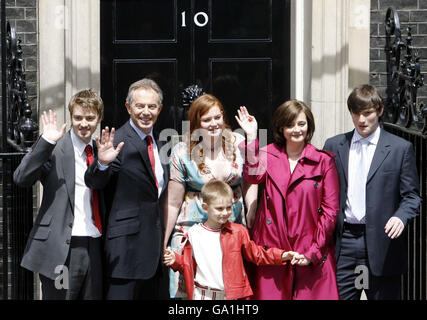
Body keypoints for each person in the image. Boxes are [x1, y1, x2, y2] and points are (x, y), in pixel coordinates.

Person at [323, 84, 421, 300]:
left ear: (380, 110)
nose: (361, 120)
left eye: (367, 113)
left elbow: (412, 196)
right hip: (344, 241)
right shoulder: (334, 145)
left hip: (383, 243)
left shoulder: (400, 148)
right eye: (356, 113)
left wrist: (401, 216)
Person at [236, 100, 340, 300]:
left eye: (301, 124)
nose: (296, 130)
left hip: (310, 251)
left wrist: (313, 251)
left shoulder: (323, 161)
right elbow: (252, 177)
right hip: (272, 251)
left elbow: (330, 211)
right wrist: (251, 136)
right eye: (290, 125)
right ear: (281, 127)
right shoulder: (267, 155)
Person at [13, 89, 105, 299]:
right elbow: (21, 178)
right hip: (61, 248)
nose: (84, 124)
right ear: (71, 116)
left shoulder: (102, 151)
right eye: (78, 117)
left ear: (99, 118)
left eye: (90, 118)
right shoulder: (55, 148)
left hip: (94, 244)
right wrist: (46, 142)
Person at [163, 93, 258, 299]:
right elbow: (173, 202)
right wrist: (165, 239)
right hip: (193, 227)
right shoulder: (182, 151)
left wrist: (251, 210)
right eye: (206, 120)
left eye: (217, 117)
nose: (214, 124)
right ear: (196, 123)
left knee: (226, 286)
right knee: (192, 289)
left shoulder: (239, 143)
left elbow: (251, 178)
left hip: (229, 227)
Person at [84, 78, 169, 299]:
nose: (146, 112)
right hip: (124, 253)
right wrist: (102, 164)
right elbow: (94, 182)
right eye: (140, 106)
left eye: (151, 106)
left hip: (154, 253)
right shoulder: (117, 141)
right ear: (128, 107)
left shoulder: (160, 143)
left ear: (159, 109)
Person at [163, 180, 295, 300]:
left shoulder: (238, 232)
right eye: (219, 208)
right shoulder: (193, 234)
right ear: (205, 207)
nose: (225, 212)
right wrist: (175, 260)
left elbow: (257, 254)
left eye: (228, 207)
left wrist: (281, 255)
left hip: (229, 296)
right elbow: (188, 265)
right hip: (201, 294)